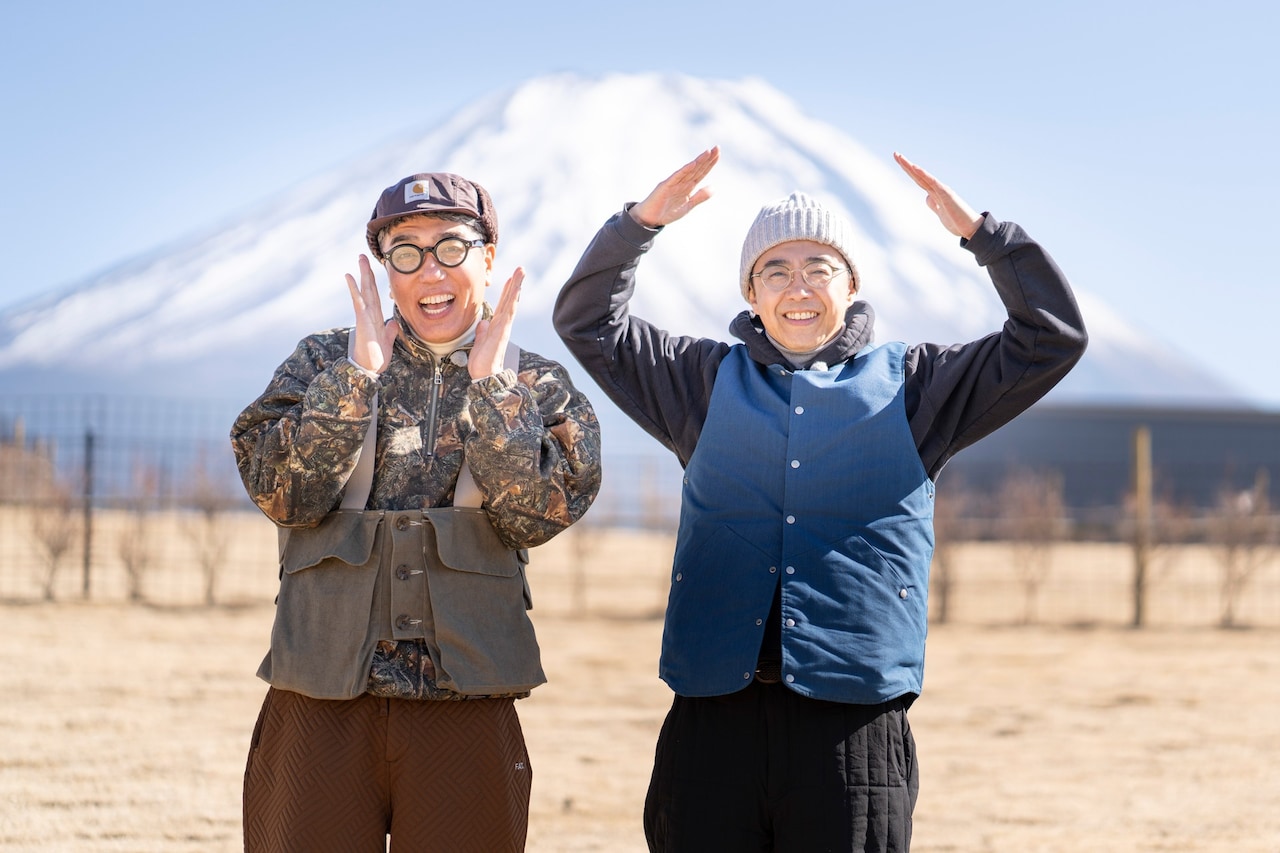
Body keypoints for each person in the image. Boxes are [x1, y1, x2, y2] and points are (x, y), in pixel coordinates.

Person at [553, 146, 1087, 851]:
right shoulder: (701, 382)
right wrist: (638, 225)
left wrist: (987, 238)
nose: (797, 287)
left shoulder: (916, 387)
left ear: (851, 285)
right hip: (712, 718)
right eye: (774, 269)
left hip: (851, 728)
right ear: (751, 292)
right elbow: (588, 324)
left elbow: (1049, 338)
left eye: (818, 268)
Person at [231, 171, 602, 852]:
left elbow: (538, 517)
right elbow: (282, 493)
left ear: (488, 257)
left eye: (452, 248)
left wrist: (494, 394)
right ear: (385, 269)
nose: (431, 270)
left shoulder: (538, 384)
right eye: (406, 252)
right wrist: (355, 381)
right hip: (320, 703)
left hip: (465, 712)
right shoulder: (321, 362)